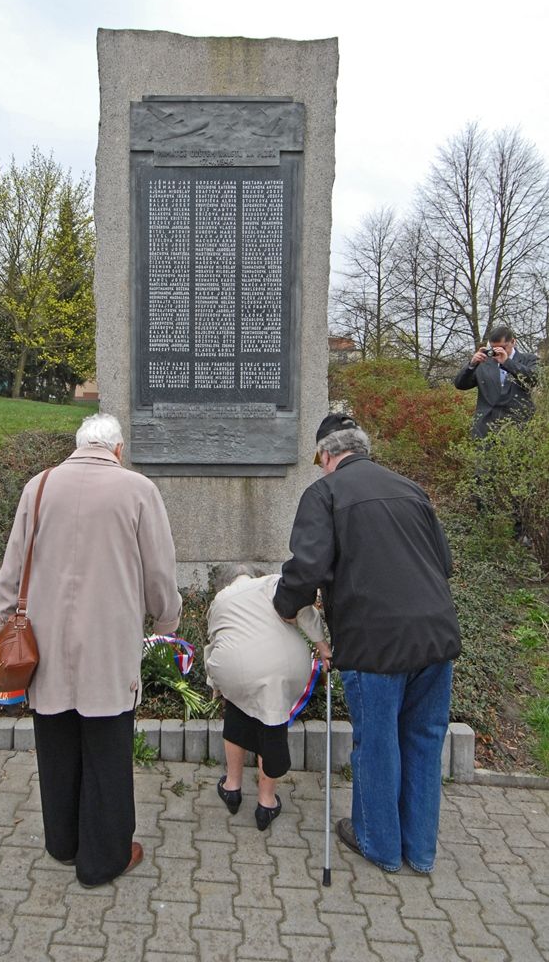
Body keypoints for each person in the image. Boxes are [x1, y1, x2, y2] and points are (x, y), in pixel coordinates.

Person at [0, 413, 182, 887]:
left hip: (45, 641)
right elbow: (159, 573)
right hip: (109, 643)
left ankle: (62, 842)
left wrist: (3, 625)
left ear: (78, 446)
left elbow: (13, 565)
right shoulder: (138, 490)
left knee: (54, 741)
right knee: (107, 748)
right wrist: (167, 622)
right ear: (117, 450)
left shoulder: (38, 486)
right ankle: (102, 859)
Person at [273, 413, 461, 874]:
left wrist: (286, 604)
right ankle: (419, 852)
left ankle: (378, 844)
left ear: (328, 453)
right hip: (435, 636)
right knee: (422, 740)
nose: (319, 466)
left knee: (377, 743)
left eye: (319, 458)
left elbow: (307, 565)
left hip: (374, 643)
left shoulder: (325, 493)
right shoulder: (410, 489)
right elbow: (445, 563)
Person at [205, 564, 328, 831]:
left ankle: (232, 787)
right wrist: (322, 646)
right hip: (286, 668)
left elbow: (216, 642)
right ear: (253, 574)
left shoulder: (219, 601)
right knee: (272, 715)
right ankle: (266, 801)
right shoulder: (272, 583)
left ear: (225, 584)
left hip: (237, 670)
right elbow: (304, 611)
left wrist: (219, 684)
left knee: (237, 707)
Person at [453, 325, 538, 439]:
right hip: (485, 429)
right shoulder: (484, 362)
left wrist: (507, 362)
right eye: (494, 348)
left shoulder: (529, 359)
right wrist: (471, 365)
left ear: (513, 342)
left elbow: (533, 380)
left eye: (502, 347)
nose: (497, 351)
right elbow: (460, 385)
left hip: (517, 427)